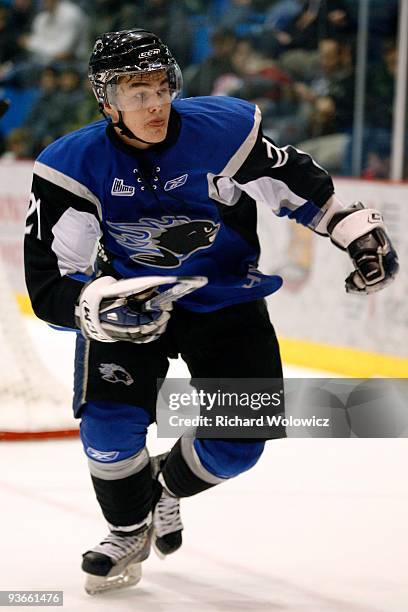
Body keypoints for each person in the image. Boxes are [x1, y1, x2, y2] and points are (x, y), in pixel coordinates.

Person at [24, 29, 399, 595]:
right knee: (108, 428)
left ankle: (165, 490)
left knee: (239, 441)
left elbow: (292, 181)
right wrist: (93, 304)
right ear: (106, 100)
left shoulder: (222, 130)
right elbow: (51, 277)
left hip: (225, 296)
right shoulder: (71, 166)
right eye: (135, 91)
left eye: (160, 87)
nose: (153, 104)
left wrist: (351, 230)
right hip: (132, 298)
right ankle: (127, 531)